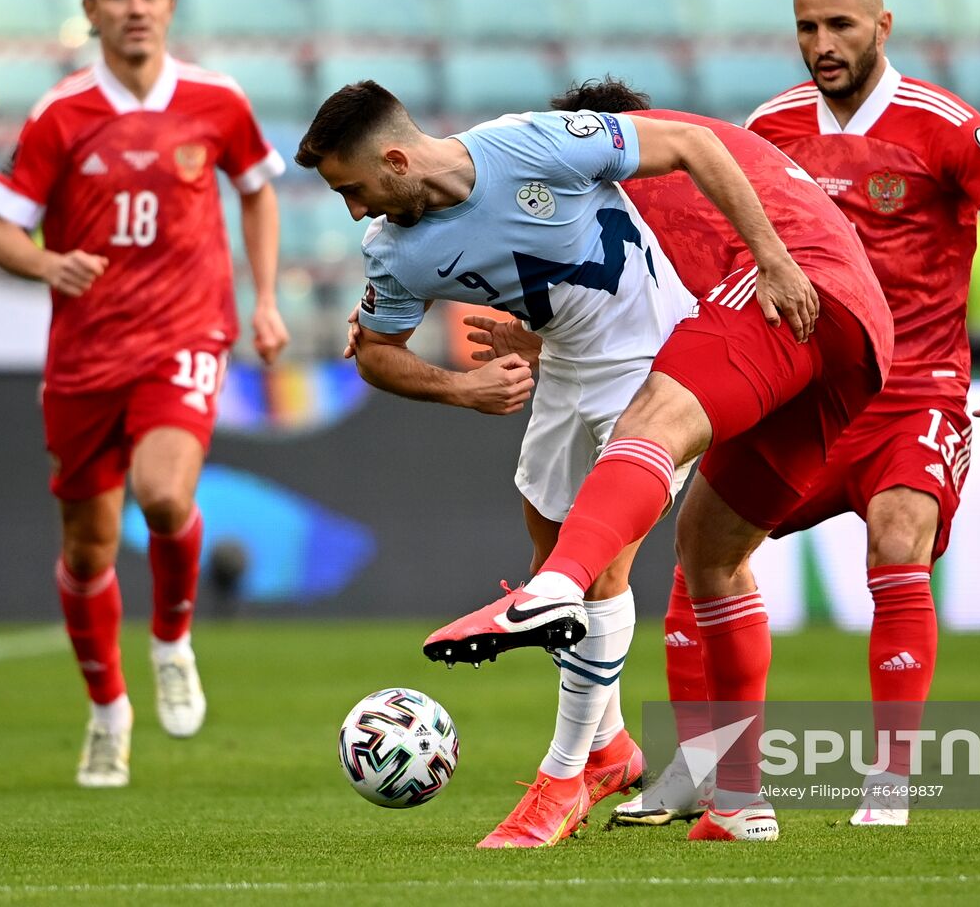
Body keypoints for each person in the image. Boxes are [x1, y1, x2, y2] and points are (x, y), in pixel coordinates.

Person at [295, 80, 821, 847]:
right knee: (550, 568)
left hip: (653, 364)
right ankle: (609, 748)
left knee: (593, 575)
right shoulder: (394, 251)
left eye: (354, 188)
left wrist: (770, 259)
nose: (354, 211)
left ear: (398, 158)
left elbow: (694, 145)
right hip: (569, 369)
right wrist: (462, 389)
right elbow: (376, 355)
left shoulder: (532, 143)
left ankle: (561, 780)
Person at [627, 0, 980, 828]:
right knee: (700, 549)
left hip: (914, 392)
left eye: (839, 26)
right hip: (800, 388)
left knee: (897, 537)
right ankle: (700, 764)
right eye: (805, 28)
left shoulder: (944, 125)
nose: (820, 45)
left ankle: (889, 781)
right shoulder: (769, 124)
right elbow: (718, 244)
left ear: (882, 26)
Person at [425, 78, 896, 838]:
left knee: (650, 422)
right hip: (861, 337)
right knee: (708, 550)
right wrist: (545, 340)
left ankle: (552, 590)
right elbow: (630, 291)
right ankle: (739, 801)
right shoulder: (683, 166)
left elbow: (648, 312)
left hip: (788, 290)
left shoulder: (624, 164)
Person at [0, 0, 288, 789]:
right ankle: (108, 711)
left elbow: (257, 188)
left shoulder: (216, 100)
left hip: (185, 334)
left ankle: (171, 640)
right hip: (84, 356)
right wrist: (47, 263)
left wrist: (264, 299)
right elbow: (1, 230)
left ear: (171, 4)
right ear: (89, 9)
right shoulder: (61, 113)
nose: (135, 6)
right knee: (87, 551)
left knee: (164, 494)